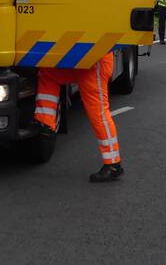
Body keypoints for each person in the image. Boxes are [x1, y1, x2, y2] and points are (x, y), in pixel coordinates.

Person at [34, 51, 124, 182]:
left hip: (95, 62)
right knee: (48, 73)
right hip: (82, 58)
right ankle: (46, 124)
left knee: (99, 114)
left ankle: (113, 165)